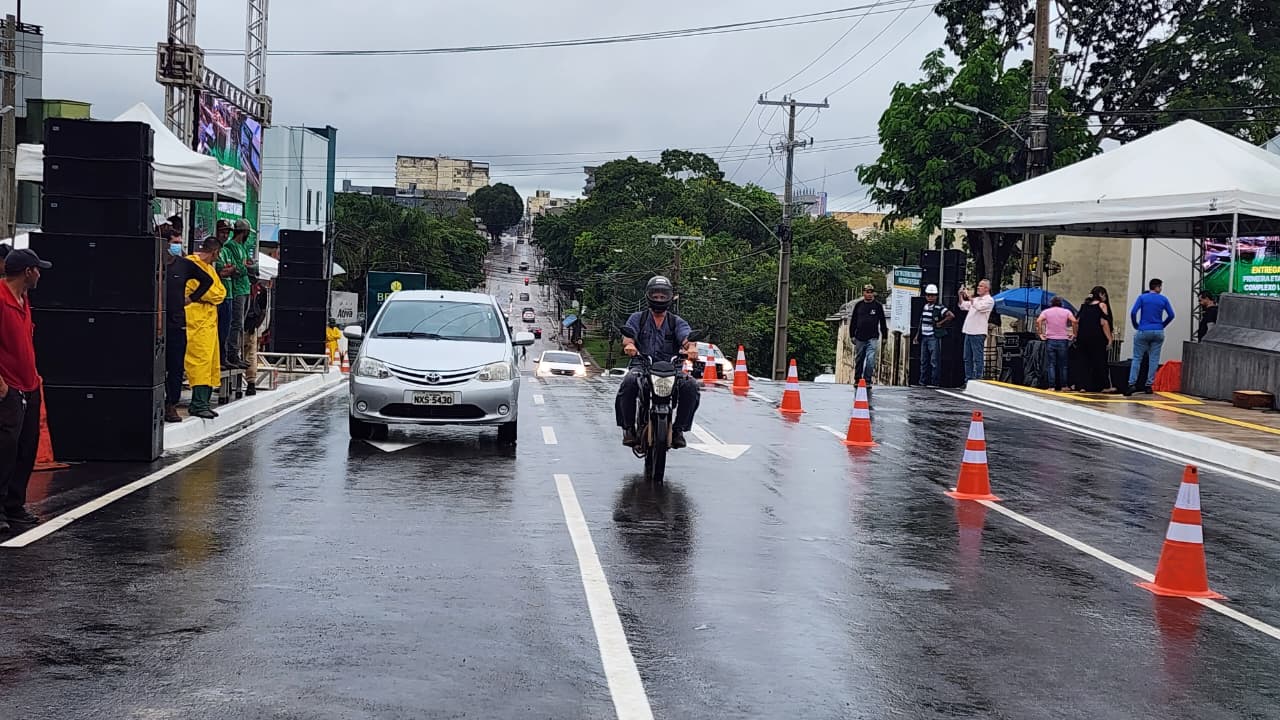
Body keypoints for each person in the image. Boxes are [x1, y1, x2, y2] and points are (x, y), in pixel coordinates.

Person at [0, 249, 53, 531]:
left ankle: (14, 504)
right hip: (9, 387)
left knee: (26, 447)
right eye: (38, 269)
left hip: (29, 383)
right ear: (28, 272)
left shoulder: (24, 299)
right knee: (5, 449)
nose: (40, 274)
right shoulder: (1, 299)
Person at [615, 276, 700, 449]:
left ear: (669, 297)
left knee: (691, 386)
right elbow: (628, 337)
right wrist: (630, 345)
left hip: (672, 368)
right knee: (629, 382)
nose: (659, 299)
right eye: (656, 296)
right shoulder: (637, 318)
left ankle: (678, 430)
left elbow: (686, 338)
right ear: (648, 296)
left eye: (663, 296)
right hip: (642, 366)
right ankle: (628, 428)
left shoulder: (676, 321)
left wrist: (691, 348)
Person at [163, 227, 213, 422]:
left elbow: (206, 281)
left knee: (175, 367)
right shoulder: (153, 262)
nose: (177, 245)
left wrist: (191, 298)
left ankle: (171, 404)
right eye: (174, 242)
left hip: (176, 324)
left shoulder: (183, 265)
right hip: (153, 323)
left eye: (178, 242)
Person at [186, 237, 229, 419]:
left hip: (209, 321)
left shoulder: (210, 269)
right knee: (199, 361)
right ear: (215, 252)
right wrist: (208, 295)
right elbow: (211, 292)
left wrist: (209, 295)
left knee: (210, 362)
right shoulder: (190, 265)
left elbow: (220, 293)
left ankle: (204, 402)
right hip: (196, 321)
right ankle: (197, 404)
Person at [1125, 278, 1175, 395]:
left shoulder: (1142, 297)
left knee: (1137, 358)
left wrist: (1136, 325)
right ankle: (1149, 385)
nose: (1161, 289)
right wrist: (1162, 325)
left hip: (1143, 330)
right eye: (1160, 287)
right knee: (1154, 359)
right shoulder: (1163, 299)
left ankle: (1131, 384)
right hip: (1158, 331)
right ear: (1157, 287)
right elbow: (1171, 315)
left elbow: (1133, 312)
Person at [219, 219, 254, 369]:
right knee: (236, 323)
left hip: (244, 287)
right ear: (244, 232)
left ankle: (236, 353)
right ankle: (232, 353)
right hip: (236, 289)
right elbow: (238, 268)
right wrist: (243, 268)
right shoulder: (230, 246)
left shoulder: (242, 247)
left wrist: (244, 267)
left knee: (240, 324)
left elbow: (246, 265)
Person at [913, 284, 954, 387]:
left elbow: (951, 315)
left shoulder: (939, 307)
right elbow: (921, 322)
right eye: (928, 295)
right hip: (924, 337)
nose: (930, 297)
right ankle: (922, 381)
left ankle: (935, 382)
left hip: (932, 337)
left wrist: (941, 323)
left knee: (934, 360)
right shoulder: (925, 307)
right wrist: (917, 336)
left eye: (932, 295)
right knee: (923, 360)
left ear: (936, 296)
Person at [1075, 288, 1113, 393]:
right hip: (1097, 337)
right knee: (1099, 361)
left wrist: (1076, 334)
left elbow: (1076, 321)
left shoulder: (1084, 306)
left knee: (1083, 361)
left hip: (1083, 337)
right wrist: (1109, 338)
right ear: (1101, 294)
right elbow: (1104, 322)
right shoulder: (1102, 305)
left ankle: (1082, 385)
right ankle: (1104, 385)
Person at [850, 284, 888, 387]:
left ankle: (867, 380)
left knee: (871, 359)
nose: (869, 294)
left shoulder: (878, 306)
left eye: (871, 292)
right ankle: (857, 379)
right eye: (867, 292)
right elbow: (853, 320)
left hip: (873, 337)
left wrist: (885, 336)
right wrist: (852, 335)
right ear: (864, 293)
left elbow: (883, 321)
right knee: (859, 359)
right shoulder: (858, 305)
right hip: (860, 337)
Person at [1036, 296, 1077, 392]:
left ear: (1051, 303)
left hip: (1050, 339)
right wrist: (1074, 334)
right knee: (1063, 364)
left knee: (1051, 364)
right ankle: (1064, 386)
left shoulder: (1046, 312)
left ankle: (1051, 386)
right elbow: (1074, 321)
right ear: (1061, 304)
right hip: (1063, 339)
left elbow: (1038, 321)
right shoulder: (1066, 312)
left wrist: (1041, 334)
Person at [959, 279, 995, 383]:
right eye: (978, 286)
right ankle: (968, 379)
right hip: (969, 331)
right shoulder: (976, 299)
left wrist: (969, 296)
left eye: (981, 286)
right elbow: (963, 306)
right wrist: (961, 295)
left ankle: (978, 379)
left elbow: (979, 307)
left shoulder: (989, 300)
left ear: (987, 289)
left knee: (977, 357)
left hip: (978, 332)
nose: (978, 288)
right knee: (967, 357)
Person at [242, 275, 271, 396]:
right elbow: (263, 311)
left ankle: (225, 383)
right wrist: (257, 327)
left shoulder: (240, 286)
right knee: (251, 354)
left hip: (238, 325)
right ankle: (251, 383)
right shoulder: (261, 289)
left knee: (232, 353)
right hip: (252, 326)